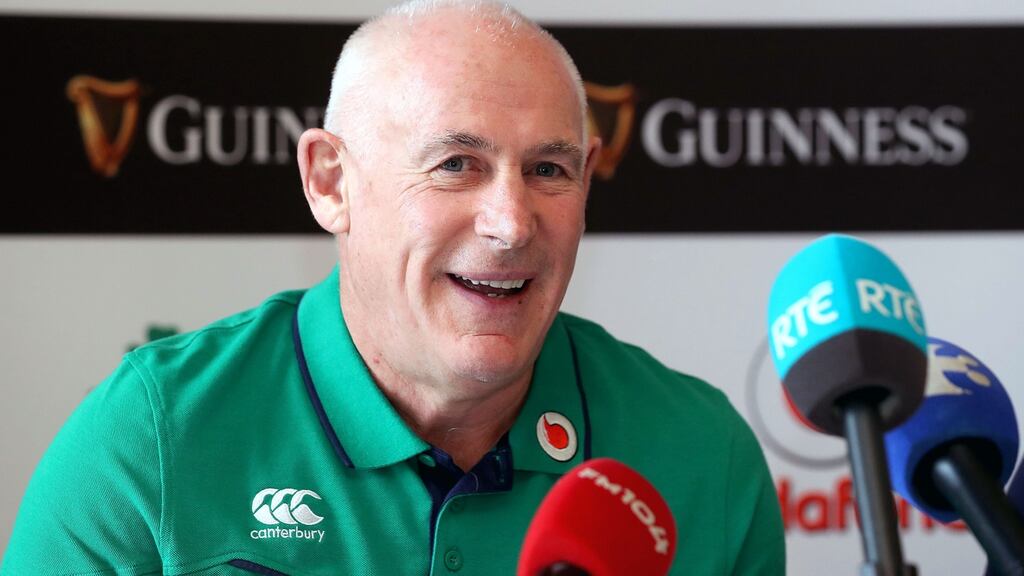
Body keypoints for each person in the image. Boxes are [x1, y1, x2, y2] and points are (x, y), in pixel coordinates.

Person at [2, 1, 784, 574]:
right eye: (456, 165)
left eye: (549, 169)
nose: (511, 222)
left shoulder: (700, 456)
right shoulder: (152, 439)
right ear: (329, 182)